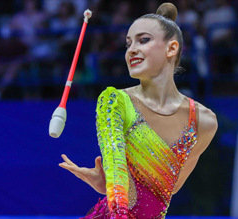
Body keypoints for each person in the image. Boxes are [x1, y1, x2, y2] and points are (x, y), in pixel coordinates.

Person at [59, 3, 218, 219]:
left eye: (143, 40)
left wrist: (124, 184)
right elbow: (115, 172)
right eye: (128, 43)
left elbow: (169, 188)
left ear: (171, 48)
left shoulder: (204, 121)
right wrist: (113, 185)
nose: (131, 49)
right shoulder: (115, 102)